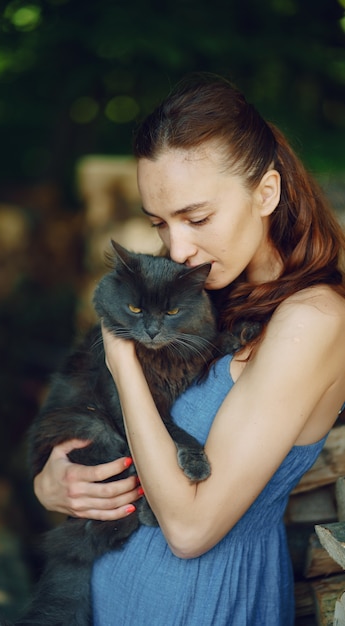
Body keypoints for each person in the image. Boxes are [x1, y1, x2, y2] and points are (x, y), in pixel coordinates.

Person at [33, 74, 345, 625]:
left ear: (265, 193)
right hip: (101, 599)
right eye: (160, 222)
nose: (177, 247)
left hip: (206, 603)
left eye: (197, 217)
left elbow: (190, 528)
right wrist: (56, 485)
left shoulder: (314, 320)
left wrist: (123, 359)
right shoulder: (196, 297)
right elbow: (100, 422)